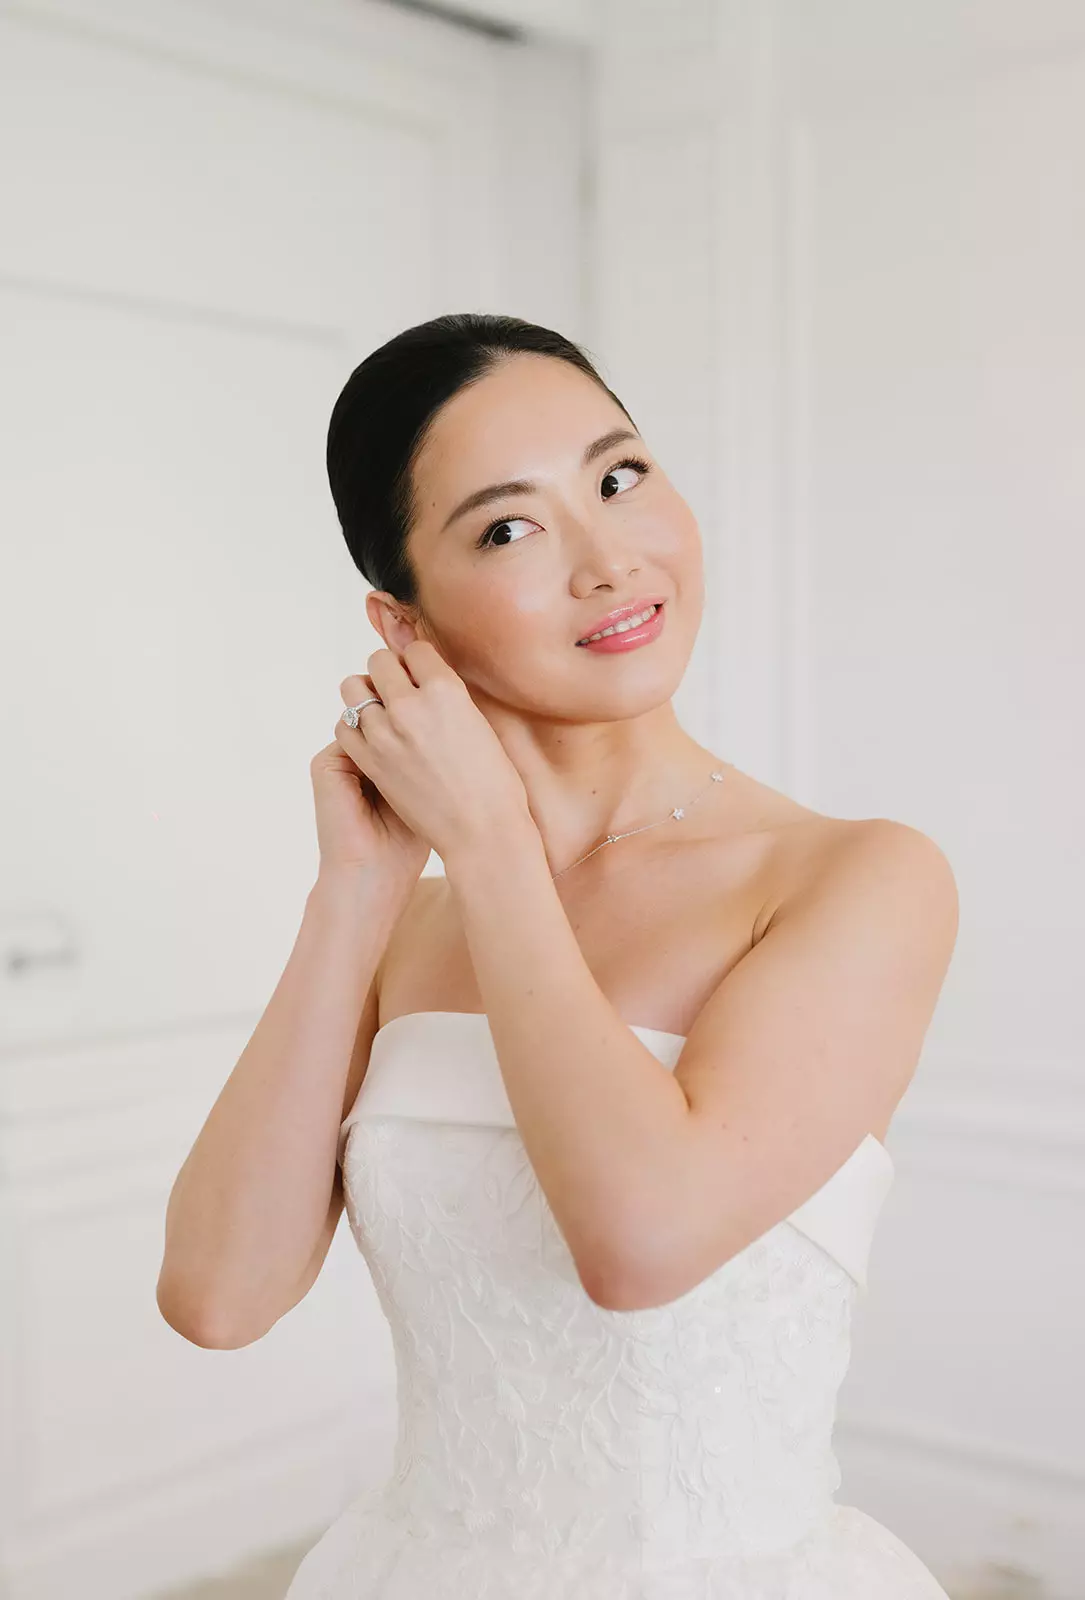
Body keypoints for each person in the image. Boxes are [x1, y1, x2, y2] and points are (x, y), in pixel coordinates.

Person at [159, 313, 959, 1597]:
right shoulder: (403, 922)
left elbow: (641, 1245)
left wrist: (487, 846)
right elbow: (218, 1296)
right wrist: (352, 895)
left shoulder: (854, 880)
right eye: (506, 529)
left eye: (618, 475)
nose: (608, 558)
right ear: (404, 625)